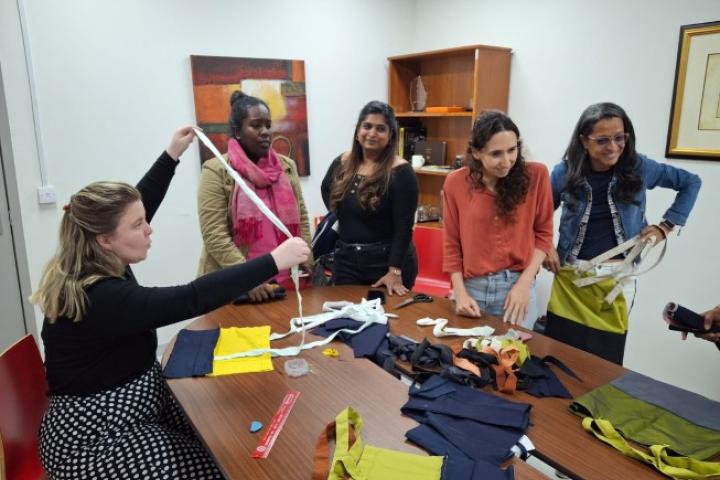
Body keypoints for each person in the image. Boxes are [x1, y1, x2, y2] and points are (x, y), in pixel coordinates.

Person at [31, 127, 310, 480]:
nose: (148, 229)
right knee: (216, 467)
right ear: (105, 239)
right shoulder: (99, 297)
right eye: (139, 225)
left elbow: (139, 204)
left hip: (130, 407)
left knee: (217, 438)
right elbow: (191, 298)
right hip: (96, 440)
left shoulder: (95, 255)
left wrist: (171, 156)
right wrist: (272, 261)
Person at [543, 102, 702, 364]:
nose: (614, 146)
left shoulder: (639, 168)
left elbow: (691, 182)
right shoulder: (564, 172)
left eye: (620, 137)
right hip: (572, 276)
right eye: (602, 140)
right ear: (584, 141)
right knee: (560, 357)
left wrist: (665, 227)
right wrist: (546, 245)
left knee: (604, 360)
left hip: (618, 280)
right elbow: (539, 213)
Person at [197, 91, 311, 301]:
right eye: (256, 125)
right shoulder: (216, 170)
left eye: (268, 125)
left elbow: (302, 217)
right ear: (237, 131)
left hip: (286, 281)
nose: (265, 132)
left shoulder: (286, 166)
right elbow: (214, 235)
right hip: (236, 285)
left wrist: (306, 255)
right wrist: (248, 279)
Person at [443, 111, 554, 327]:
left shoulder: (537, 175)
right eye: (496, 154)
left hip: (517, 288)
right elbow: (451, 243)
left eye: (512, 150)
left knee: (517, 349)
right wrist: (460, 293)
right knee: (465, 349)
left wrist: (525, 283)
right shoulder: (455, 183)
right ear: (476, 152)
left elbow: (544, 234)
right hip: (471, 290)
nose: (506, 161)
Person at [321, 101, 418, 296]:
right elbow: (326, 191)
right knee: (345, 312)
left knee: (384, 314)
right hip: (346, 260)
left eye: (381, 129)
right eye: (367, 126)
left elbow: (404, 227)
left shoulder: (401, 172)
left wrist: (394, 271)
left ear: (390, 136)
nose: (372, 133)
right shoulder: (342, 162)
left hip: (386, 264)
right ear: (358, 131)